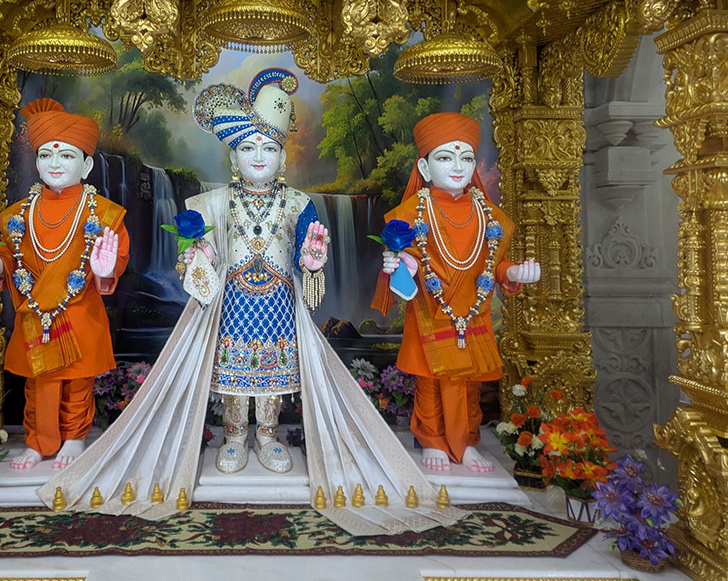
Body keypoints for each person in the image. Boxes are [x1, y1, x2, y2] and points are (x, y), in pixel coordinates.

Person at [39, 70, 463, 536]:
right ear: (233, 156)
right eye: (247, 148)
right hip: (232, 302)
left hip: (279, 302)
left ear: (282, 157)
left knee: (274, 372)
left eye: (268, 148)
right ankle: (235, 435)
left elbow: (306, 255)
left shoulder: (298, 203)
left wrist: (312, 261)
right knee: (234, 373)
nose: (258, 156)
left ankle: (268, 434)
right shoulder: (210, 202)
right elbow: (189, 258)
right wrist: (196, 255)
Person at [0, 98, 129, 470]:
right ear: (36, 162)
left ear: (86, 165)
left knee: (77, 382)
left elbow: (114, 262)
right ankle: (37, 442)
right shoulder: (15, 216)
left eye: (66, 156)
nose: (55, 163)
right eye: (46, 155)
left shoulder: (105, 215)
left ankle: (74, 438)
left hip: (79, 311)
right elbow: (10, 258)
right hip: (35, 314)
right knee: (36, 383)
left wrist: (105, 269)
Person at [373, 112, 540, 474]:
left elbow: (495, 264)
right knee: (430, 379)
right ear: (425, 167)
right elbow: (409, 260)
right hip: (431, 310)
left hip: (472, 309)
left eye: (466, 158)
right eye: (445, 157)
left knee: (468, 383)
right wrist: (404, 265)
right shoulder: (411, 213)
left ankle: (466, 442)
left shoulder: (489, 215)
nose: (457, 166)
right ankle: (432, 439)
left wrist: (513, 272)